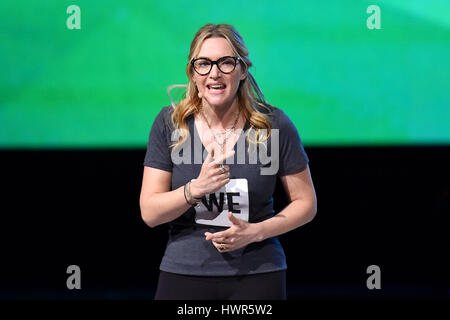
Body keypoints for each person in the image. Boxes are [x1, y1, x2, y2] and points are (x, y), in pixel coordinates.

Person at [139, 23, 317, 300]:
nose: (214, 73)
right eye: (204, 64)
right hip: (184, 272)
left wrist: (255, 232)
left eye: (225, 62)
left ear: (242, 70)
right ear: (192, 73)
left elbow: (306, 203)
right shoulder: (171, 124)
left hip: (258, 273)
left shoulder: (273, 125)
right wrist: (194, 189)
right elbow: (150, 213)